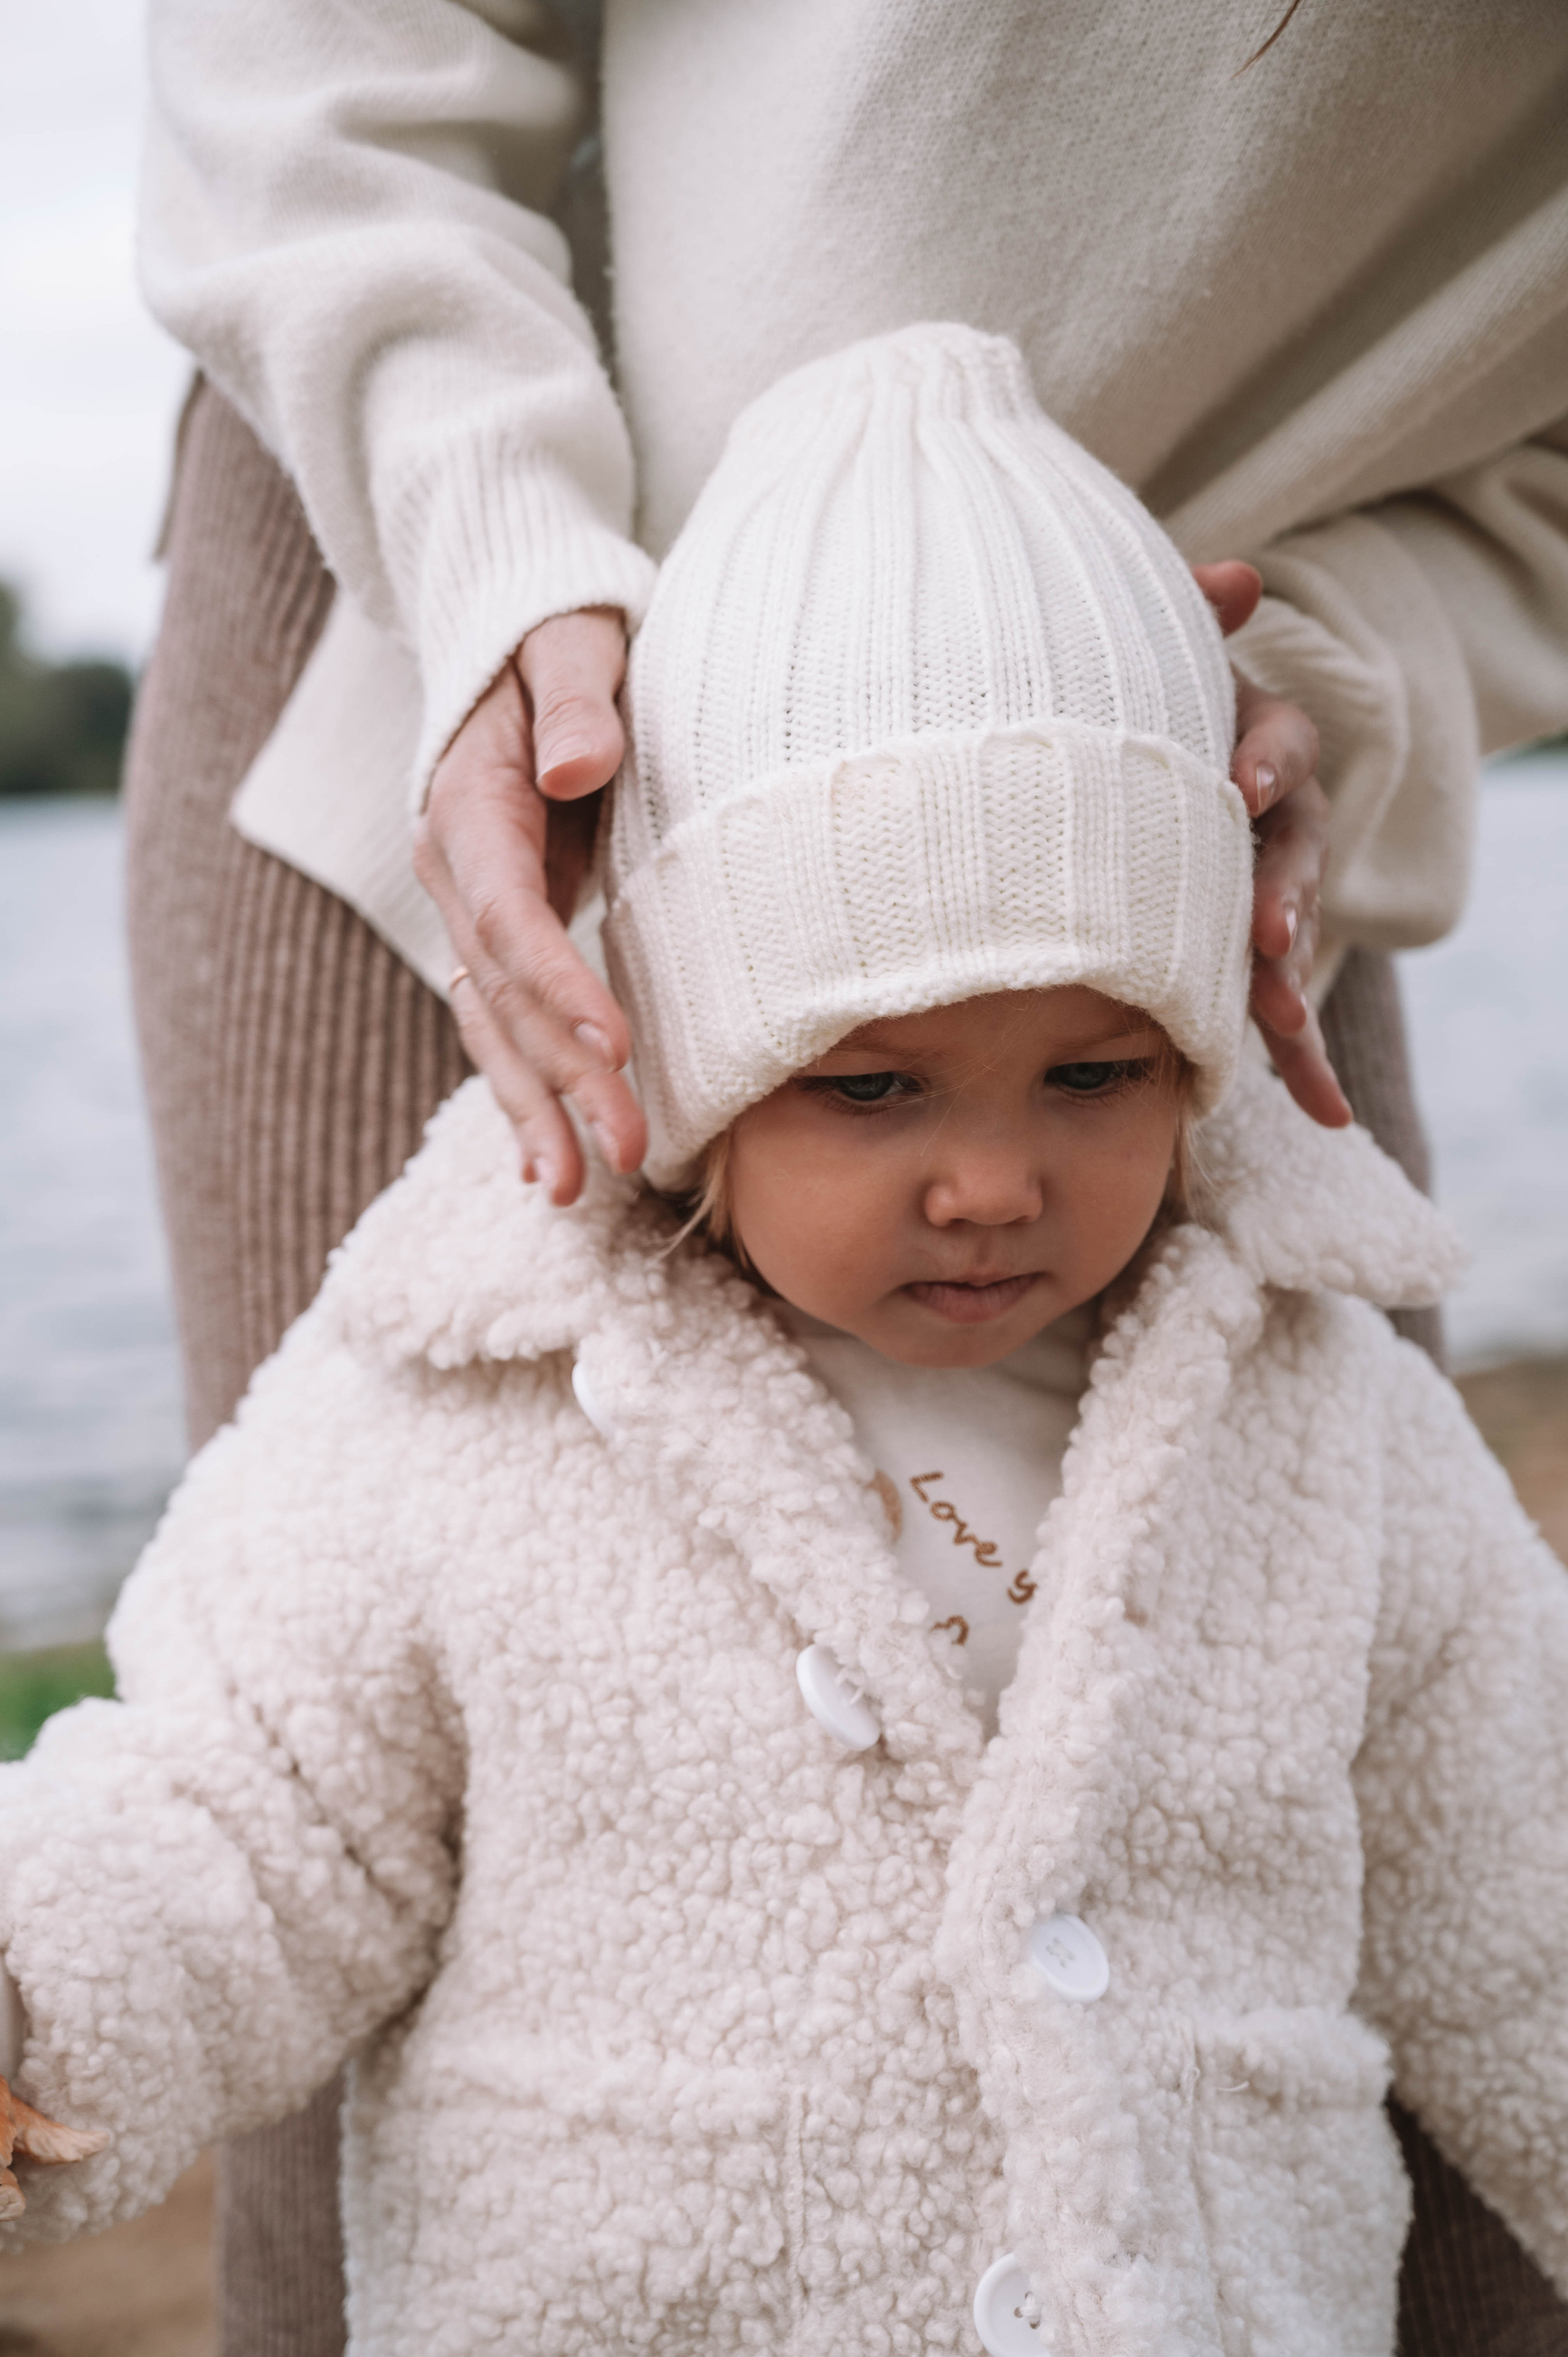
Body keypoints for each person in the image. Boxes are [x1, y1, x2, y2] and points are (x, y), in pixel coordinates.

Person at [124, 6, 1568, 2347]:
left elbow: (1523, 1889)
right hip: (462, 513)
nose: (996, 1184)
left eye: (1094, 1081)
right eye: (873, 1091)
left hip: (1188, 707)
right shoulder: (450, 1419)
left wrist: (1339, 669)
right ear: (688, 1080)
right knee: (350, 2037)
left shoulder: (1313, 1426)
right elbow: (244, 1807)